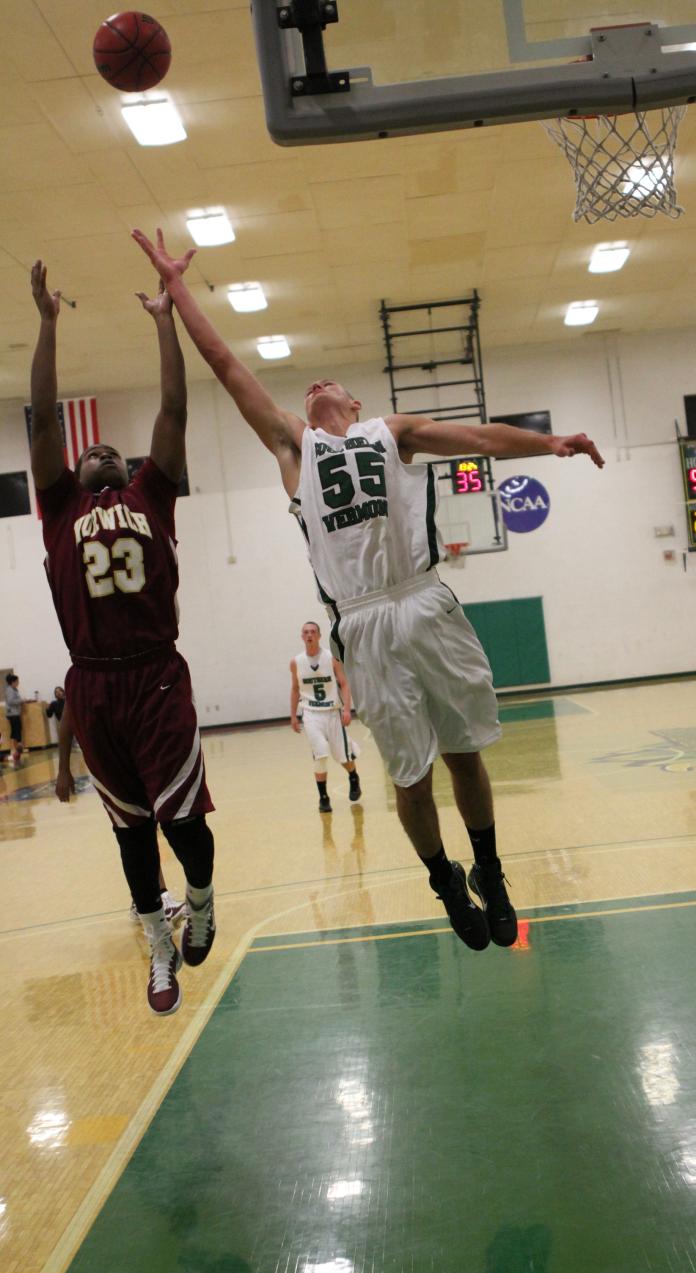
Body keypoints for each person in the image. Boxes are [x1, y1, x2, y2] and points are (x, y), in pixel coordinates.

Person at [133, 228, 605, 952]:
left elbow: (478, 438)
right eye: (309, 385)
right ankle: (445, 879)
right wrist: (179, 288)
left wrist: (549, 445)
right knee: (410, 779)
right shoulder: (296, 445)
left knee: (466, 755)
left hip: (423, 597)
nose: (317, 384)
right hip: (363, 620)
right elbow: (225, 363)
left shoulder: (394, 433)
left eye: (331, 384)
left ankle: (490, 868)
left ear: (353, 404)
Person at [30, 259, 216, 1016]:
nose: (104, 448)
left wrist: (166, 321)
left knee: (183, 819)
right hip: (95, 682)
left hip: (155, 672)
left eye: (115, 449)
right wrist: (46, 323)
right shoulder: (57, 508)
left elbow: (173, 407)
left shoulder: (153, 493)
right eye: (91, 450)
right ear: (74, 472)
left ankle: (200, 902)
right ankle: (157, 942)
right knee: (132, 834)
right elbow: (43, 420)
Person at [54, 699, 186, 928]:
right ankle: (157, 898)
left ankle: (145, 898)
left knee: (145, 829)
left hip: (138, 753)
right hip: (110, 763)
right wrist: (63, 769)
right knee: (138, 832)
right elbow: (68, 716)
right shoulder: (85, 672)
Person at [291, 619, 362, 813]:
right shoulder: (296, 662)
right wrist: (293, 716)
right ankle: (324, 798)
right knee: (320, 754)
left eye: (313, 631)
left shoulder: (331, 658)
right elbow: (295, 689)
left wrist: (347, 709)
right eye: (305, 632)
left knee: (342, 756)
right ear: (302, 636)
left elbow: (344, 684)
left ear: (319, 635)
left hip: (333, 712)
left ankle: (353, 777)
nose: (309, 635)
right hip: (311, 714)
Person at [4, 673, 23, 766]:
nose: (18, 683)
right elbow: (11, 701)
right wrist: (21, 701)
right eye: (17, 681)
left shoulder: (14, 689)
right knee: (15, 732)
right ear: (13, 682)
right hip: (12, 714)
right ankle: (15, 750)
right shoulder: (9, 690)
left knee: (17, 731)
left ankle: (17, 750)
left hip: (15, 713)